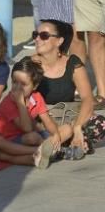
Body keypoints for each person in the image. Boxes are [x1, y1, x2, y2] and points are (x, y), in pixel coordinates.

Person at [32, 20, 95, 154]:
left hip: (67, 118)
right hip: (41, 121)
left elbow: (87, 98)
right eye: (35, 34)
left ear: (59, 41)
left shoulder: (72, 63)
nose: (37, 39)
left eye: (44, 35)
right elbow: (19, 100)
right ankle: (62, 145)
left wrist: (77, 126)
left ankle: (54, 147)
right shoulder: (28, 65)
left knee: (98, 123)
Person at [0, 58, 60, 168]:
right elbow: (26, 128)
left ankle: (43, 154)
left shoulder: (36, 97)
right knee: (32, 137)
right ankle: (44, 151)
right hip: (11, 139)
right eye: (14, 82)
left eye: (23, 84)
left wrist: (56, 135)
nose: (17, 87)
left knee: (66, 130)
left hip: (29, 136)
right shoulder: (9, 102)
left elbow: (47, 120)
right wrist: (20, 102)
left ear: (35, 86)